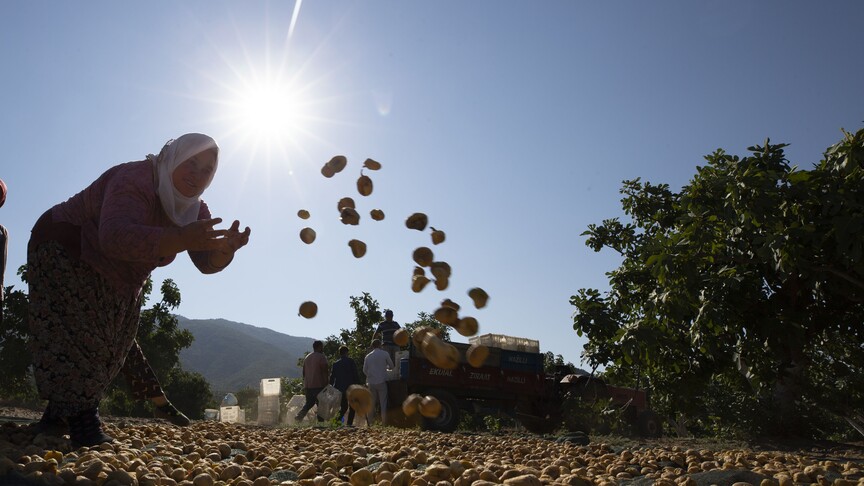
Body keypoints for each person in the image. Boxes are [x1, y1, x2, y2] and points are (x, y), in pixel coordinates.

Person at [27, 133, 250, 447]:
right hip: (67, 244)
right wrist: (181, 238)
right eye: (191, 163)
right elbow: (114, 236)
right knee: (84, 330)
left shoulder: (195, 210)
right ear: (174, 157)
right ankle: (83, 421)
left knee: (119, 340)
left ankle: (57, 417)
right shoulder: (136, 179)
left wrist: (225, 251)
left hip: (122, 276)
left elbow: (205, 262)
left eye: (207, 170)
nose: (197, 175)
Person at [295, 340, 329, 423]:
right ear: (319, 347)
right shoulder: (321, 357)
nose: (323, 348)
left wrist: (306, 382)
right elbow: (325, 371)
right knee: (321, 404)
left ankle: (299, 416)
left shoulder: (307, 357)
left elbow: (304, 372)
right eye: (322, 347)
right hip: (319, 385)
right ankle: (321, 423)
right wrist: (326, 383)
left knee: (309, 403)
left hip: (308, 385)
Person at [363, 339, 393, 426]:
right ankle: (384, 422)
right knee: (383, 403)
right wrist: (386, 368)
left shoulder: (368, 356)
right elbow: (392, 366)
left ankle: (370, 422)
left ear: (372, 346)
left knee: (372, 403)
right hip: (382, 381)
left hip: (371, 383)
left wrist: (370, 375)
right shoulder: (385, 354)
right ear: (380, 345)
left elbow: (364, 370)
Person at [330, 345, 360, 426]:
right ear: (346, 352)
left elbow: (332, 377)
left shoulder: (335, 364)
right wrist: (358, 385)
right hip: (351, 388)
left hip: (340, 389)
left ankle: (336, 422)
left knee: (344, 407)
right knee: (352, 407)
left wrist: (330, 387)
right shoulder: (351, 361)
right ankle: (349, 424)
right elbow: (355, 374)